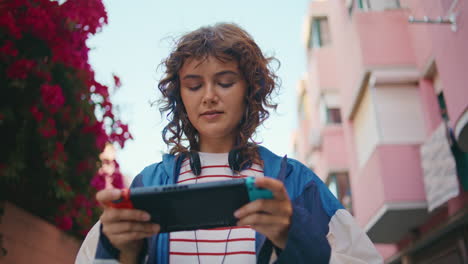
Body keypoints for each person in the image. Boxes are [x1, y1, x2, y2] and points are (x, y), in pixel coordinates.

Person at [77, 23, 382, 264]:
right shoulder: (147, 185)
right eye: (194, 85)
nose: (209, 95)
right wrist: (118, 253)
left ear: (251, 90)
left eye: (225, 82)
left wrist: (295, 234)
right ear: (180, 97)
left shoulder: (297, 183)